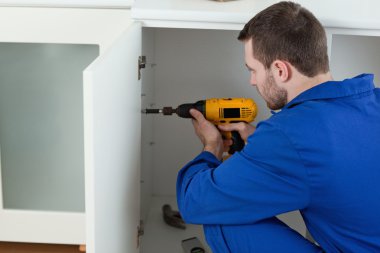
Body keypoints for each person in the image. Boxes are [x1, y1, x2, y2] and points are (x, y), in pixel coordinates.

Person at [176, 1, 380, 252]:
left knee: (220, 214)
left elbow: (194, 202)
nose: (252, 82)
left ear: (280, 70)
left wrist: (211, 146)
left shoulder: (290, 135)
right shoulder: (374, 99)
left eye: (253, 70)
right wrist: (265, 143)